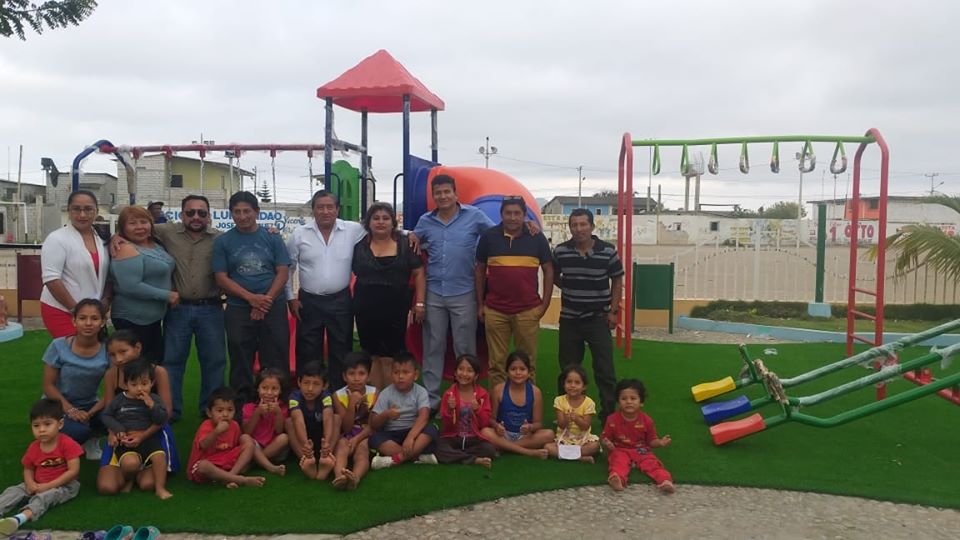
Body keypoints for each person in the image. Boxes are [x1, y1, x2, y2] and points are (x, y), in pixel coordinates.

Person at [413, 175, 495, 410]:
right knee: (433, 346)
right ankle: (431, 401)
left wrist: (526, 226)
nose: (443, 196)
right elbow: (414, 238)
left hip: (464, 292)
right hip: (434, 293)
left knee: (465, 347)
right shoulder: (426, 221)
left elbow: (497, 233)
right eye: (438, 193)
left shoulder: (474, 216)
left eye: (447, 192)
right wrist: (410, 236)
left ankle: (466, 399)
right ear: (433, 196)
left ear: (455, 193)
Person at [154, 195, 227, 422]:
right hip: (178, 309)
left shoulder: (220, 238)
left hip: (211, 308)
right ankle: (171, 410)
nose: (196, 217)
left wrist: (272, 232)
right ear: (181, 214)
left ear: (209, 216)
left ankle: (211, 410)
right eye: (190, 212)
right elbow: (133, 226)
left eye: (201, 213)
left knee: (214, 361)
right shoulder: (166, 232)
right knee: (173, 362)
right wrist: (117, 238)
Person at [213, 191, 290, 405]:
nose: (242, 216)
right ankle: (241, 406)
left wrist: (264, 301)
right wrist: (250, 299)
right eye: (237, 212)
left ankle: (277, 405)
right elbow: (221, 277)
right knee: (240, 358)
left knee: (275, 356)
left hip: (272, 306)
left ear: (256, 212)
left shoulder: (272, 237)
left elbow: (283, 272)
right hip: (239, 308)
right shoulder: (223, 241)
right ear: (231, 214)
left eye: (247, 211)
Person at [285, 190, 364, 391]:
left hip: (340, 300)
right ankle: (310, 395)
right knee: (308, 351)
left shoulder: (352, 230)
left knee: (341, 349)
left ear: (337, 209)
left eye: (330, 207)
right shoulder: (299, 234)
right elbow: (288, 268)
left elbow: (380, 228)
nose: (325, 211)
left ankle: (339, 395)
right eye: (320, 207)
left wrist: (411, 234)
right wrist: (290, 298)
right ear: (313, 210)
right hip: (309, 301)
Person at [553, 208, 624, 422]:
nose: (579, 229)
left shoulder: (607, 251)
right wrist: (571, 287)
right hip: (570, 319)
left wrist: (613, 311)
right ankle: (565, 414)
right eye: (574, 225)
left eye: (583, 224)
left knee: (605, 369)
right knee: (568, 369)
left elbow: (617, 280)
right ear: (570, 228)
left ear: (592, 226)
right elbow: (553, 275)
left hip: (598, 318)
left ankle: (609, 414)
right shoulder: (561, 251)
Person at [475, 196, 553, 385]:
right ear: (501, 214)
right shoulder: (489, 237)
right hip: (495, 311)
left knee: (527, 363)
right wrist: (480, 304)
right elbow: (479, 270)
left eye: (517, 213)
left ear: (524, 215)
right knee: (496, 364)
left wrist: (544, 305)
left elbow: (549, 270)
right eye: (508, 213)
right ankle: (498, 403)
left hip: (527, 310)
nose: (512, 217)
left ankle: (527, 402)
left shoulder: (536, 237)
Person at [352, 202, 426, 389]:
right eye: (376, 218)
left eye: (385, 218)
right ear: (368, 223)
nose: (380, 222)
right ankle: (376, 400)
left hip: (395, 310)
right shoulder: (359, 246)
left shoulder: (406, 244)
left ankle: (391, 398)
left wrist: (420, 303)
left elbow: (419, 273)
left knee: (390, 358)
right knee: (372, 356)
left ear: (393, 222)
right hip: (366, 309)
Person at [98, 331, 179, 495]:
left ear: (137, 348)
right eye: (112, 355)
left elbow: (167, 412)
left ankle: (143, 471)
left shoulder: (158, 372)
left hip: (153, 431)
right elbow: (108, 412)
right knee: (107, 487)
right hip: (122, 434)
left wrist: (143, 435)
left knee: (148, 484)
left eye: (123, 352)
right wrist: (113, 433)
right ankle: (129, 472)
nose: (118, 359)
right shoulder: (112, 374)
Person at [0, 399, 82, 537]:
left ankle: (20, 518)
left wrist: (49, 486)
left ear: (60, 424)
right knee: (13, 491)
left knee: (47, 497)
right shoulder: (34, 447)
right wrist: (30, 483)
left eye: (47, 424)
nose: (41, 430)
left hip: (64, 485)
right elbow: (28, 468)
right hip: (37, 483)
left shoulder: (68, 444)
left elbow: (73, 471)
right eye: (36, 425)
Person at [41, 298, 109, 457]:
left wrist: (90, 413)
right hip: (57, 404)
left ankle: (91, 439)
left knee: (115, 417)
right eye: (82, 318)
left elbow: (111, 391)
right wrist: (71, 410)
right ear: (74, 321)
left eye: (94, 318)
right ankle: (61, 442)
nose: (88, 323)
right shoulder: (58, 346)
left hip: (90, 405)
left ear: (103, 322)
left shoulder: (108, 350)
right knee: (78, 431)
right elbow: (48, 386)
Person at [109, 206, 177, 365]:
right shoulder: (125, 248)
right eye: (132, 223)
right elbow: (130, 286)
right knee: (133, 369)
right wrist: (168, 295)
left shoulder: (156, 244)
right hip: (132, 319)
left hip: (152, 320)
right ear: (123, 227)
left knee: (152, 367)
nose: (139, 227)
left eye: (144, 222)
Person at [40, 190, 111, 338]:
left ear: (97, 211)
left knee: (92, 350)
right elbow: (51, 280)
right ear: (69, 211)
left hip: (92, 313)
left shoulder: (102, 238)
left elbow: (108, 274)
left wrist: (105, 300)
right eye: (76, 209)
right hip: (61, 310)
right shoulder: (57, 239)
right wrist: (77, 311)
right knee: (74, 350)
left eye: (88, 209)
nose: (82, 215)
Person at [601, 379, 674, 493]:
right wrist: (608, 444)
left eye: (633, 398)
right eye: (624, 398)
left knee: (652, 463)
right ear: (618, 402)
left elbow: (651, 441)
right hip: (620, 449)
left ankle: (665, 480)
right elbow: (606, 439)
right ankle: (617, 478)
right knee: (618, 462)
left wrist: (660, 442)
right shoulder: (612, 420)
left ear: (641, 402)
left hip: (641, 450)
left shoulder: (647, 421)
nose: (628, 402)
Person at [368, 352, 439, 470]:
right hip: (392, 434)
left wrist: (410, 437)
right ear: (391, 374)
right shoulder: (386, 393)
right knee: (375, 438)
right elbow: (374, 423)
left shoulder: (420, 392)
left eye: (405, 372)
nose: (400, 376)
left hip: (414, 432)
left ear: (415, 375)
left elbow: (424, 416)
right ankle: (417, 457)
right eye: (396, 372)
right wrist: (386, 414)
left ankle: (396, 459)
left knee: (431, 429)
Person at [186, 387, 265, 488]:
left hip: (226, 462)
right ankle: (240, 479)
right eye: (220, 410)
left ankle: (229, 477)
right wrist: (216, 432)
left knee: (248, 442)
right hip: (209, 462)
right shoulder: (206, 425)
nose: (225, 414)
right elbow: (203, 445)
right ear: (209, 413)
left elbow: (236, 447)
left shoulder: (234, 425)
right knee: (203, 466)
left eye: (230, 410)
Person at [479, 351, 553, 458]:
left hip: (525, 436)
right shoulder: (499, 390)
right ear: (507, 372)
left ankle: (504, 447)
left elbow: (538, 424)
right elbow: (491, 419)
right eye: (513, 369)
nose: (518, 373)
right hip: (503, 434)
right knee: (485, 432)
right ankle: (528, 452)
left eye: (522, 369)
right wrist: (497, 426)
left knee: (549, 434)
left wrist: (530, 427)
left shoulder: (535, 392)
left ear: (529, 372)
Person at [436, 354, 496, 468]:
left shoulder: (482, 394)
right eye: (461, 369)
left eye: (469, 371)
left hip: (474, 438)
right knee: (439, 447)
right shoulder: (449, 394)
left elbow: (485, 423)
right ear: (455, 372)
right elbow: (446, 426)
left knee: (489, 449)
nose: (464, 374)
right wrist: (450, 410)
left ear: (476, 376)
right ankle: (473, 459)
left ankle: (457, 456)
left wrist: (477, 410)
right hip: (454, 437)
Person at [332, 351, 378, 490]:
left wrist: (357, 439)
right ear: (344, 376)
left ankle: (355, 478)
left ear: (368, 376)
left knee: (362, 452)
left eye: (361, 373)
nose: (356, 378)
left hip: (365, 434)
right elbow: (346, 427)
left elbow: (373, 424)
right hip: (346, 433)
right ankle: (339, 477)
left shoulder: (374, 393)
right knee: (341, 447)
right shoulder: (338, 395)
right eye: (351, 374)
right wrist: (351, 404)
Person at [286, 361, 338, 481]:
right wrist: (305, 444)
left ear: (324, 385)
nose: (310, 389)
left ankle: (326, 456)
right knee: (289, 422)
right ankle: (307, 459)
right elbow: (297, 420)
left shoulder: (326, 397)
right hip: (304, 437)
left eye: (316, 384)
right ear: (299, 382)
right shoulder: (294, 397)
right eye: (306, 383)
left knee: (337, 419)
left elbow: (328, 418)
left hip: (322, 437)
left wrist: (327, 442)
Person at [545, 365, 601, 463]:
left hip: (582, 439)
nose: (572, 385)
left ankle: (566, 455)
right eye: (569, 382)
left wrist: (577, 419)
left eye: (577, 383)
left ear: (584, 386)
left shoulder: (589, 403)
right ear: (564, 384)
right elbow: (561, 425)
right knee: (547, 447)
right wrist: (566, 420)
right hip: (564, 438)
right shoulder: (559, 400)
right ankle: (580, 457)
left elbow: (586, 426)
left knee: (595, 446)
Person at [241, 368, 289, 476]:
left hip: (272, 449)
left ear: (280, 390)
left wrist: (278, 413)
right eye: (264, 388)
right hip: (254, 446)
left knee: (284, 438)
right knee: (245, 438)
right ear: (258, 389)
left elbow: (279, 431)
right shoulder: (249, 407)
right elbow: (247, 432)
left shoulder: (282, 408)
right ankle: (269, 466)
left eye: (274, 389)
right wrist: (257, 413)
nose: (269, 393)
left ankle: (251, 462)